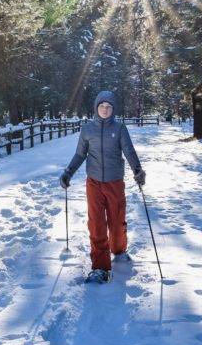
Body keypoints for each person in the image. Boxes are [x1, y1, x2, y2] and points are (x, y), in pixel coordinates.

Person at [60, 91, 146, 283]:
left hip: (115, 182)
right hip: (94, 183)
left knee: (116, 222)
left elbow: (129, 151)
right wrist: (68, 172)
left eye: (109, 107)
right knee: (96, 223)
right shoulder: (87, 129)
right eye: (102, 106)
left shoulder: (120, 128)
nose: (105, 110)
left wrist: (138, 171)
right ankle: (100, 266)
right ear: (96, 108)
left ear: (113, 109)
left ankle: (119, 249)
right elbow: (80, 154)